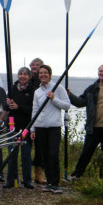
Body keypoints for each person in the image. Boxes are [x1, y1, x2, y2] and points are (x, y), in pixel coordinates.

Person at [30, 64, 70, 194]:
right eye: (40, 73)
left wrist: (54, 99)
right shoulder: (37, 92)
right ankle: (49, 182)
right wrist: (32, 129)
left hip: (54, 127)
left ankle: (55, 183)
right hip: (40, 127)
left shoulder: (58, 88)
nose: (43, 75)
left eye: (45, 73)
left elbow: (67, 106)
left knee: (53, 154)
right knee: (44, 156)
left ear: (50, 74)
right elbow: (35, 110)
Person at [2, 67, 35, 189]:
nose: (22, 76)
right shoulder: (12, 88)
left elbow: (33, 110)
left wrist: (18, 107)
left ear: (29, 77)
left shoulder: (33, 90)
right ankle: (10, 180)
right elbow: (6, 106)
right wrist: (7, 103)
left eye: (25, 75)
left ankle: (27, 180)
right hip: (12, 126)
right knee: (12, 154)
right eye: (20, 74)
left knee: (26, 155)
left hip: (26, 126)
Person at [28, 57, 46, 184]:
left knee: (40, 148)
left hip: (39, 118)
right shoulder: (26, 80)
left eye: (37, 65)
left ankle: (38, 174)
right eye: (33, 65)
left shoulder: (43, 83)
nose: (35, 67)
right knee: (25, 147)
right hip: (26, 117)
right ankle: (26, 172)